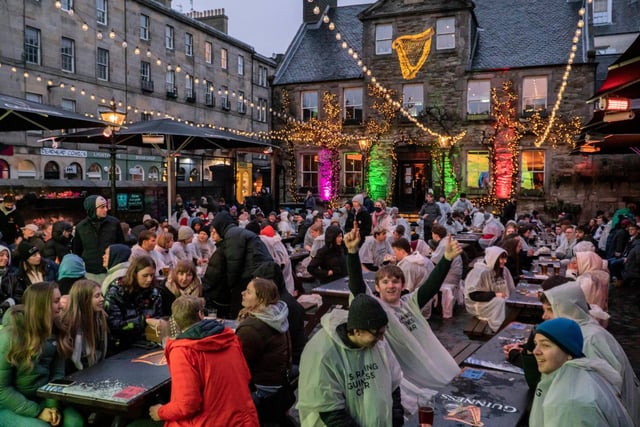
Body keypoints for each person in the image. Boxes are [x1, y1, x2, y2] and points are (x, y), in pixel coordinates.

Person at [345, 229, 461, 414]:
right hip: (403, 378)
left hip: (427, 366)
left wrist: (446, 258)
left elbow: (431, 285)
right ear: (377, 287)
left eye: (395, 281)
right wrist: (352, 253)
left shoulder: (410, 303)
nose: (391, 285)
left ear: (402, 284)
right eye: (385, 282)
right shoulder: (376, 308)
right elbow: (357, 288)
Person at [134, 295, 259, 427]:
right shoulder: (230, 339)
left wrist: (160, 412)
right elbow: (246, 376)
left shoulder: (182, 351)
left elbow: (187, 405)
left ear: (175, 322)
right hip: (245, 420)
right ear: (201, 314)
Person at [297, 294, 404, 426]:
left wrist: (396, 418)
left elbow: (393, 384)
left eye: (383, 333)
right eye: (377, 334)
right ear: (357, 331)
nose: (381, 339)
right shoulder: (323, 353)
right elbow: (329, 410)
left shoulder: (376, 343)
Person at [541, 282, 640, 423]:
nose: (544, 316)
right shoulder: (584, 329)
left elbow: (598, 391)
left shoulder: (588, 339)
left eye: (550, 310)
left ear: (567, 309)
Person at [0, 281, 84, 426]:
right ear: (41, 305)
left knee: (75, 422)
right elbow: (2, 389)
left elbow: (57, 374)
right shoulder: (10, 336)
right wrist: (37, 412)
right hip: (9, 404)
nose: (61, 305)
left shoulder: (56, 330)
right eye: (56, 301)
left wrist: (52, 406)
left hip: (43, 397)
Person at [529, 318, 633, 426]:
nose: (535, 351)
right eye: (536, 344)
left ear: (569, 352)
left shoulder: (570, 402)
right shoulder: (585, 374)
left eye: (545, 345)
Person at [235, 278, 292, 423]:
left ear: (260, 299)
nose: (243, 293)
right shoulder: (276, 315)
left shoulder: (252, 328)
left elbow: (238, 364)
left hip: (262, 388)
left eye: (248, 292)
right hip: (280, 381)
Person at [211, 211, 274, 318]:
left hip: (253, 273)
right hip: (260, 270)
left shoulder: (232, 235)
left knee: (243, 306)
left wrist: (231, 286)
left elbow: (234, 263)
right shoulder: (235, 232)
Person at [104, 255, 163, 353]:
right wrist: (144, 321)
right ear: (134, 274)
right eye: (145, 275)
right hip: (120, 346)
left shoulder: (154, 293)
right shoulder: (116, 292)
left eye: (152, 275)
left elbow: (158, 316)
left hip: (148, 343)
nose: (149, 279)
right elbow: (114, 326)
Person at [73, 195, 124, 283]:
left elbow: (121, 245)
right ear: (92, 209)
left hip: (111, 270)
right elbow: (77, 250)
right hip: (90, 272)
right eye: (102, 207)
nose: (106, 209)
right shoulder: (81, 227)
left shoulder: (114, 223)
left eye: (106, 206)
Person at [464, 246, 516, 332]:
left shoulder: (504, 270)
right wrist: (494, 294)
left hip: (499, 301)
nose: (505, 261)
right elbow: (473, 295)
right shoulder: (479, 272)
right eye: (502, 259)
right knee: (499, 301)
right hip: (480, 305)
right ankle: (499, 327)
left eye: (505, 259)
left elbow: (511, 288)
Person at [60, 279, 108, 371]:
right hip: (74, 372)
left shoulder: (100, 318)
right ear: (84, 299)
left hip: (96, 368)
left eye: (101, 295)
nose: (102, 299)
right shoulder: (70, 324)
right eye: (97, 296)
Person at [431, 224, 464, 319]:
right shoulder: (447, 241)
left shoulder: (443, 244)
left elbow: (433, 260)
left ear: (435, 235)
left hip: (449, 277)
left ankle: (431, 306)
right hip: (456, 275)